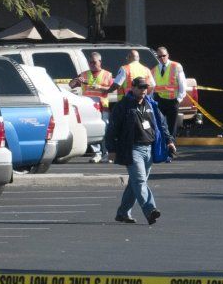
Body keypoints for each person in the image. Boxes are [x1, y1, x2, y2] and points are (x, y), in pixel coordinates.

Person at [107, 77, 176, 225]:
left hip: (149, 149)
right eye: (140, 87)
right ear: (132, 88)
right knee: (139, 181)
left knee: (135, 183)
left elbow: (162, 124)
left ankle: (123, 213)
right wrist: (111, 149)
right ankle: (150, 209)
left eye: (145, 87)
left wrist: (169, 141)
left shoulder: (151, 104)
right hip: (132, 149)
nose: (143, 90)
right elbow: (112, 128)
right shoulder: (123, 105)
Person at [70, 52, 114, 163]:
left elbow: (112, 88)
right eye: (90, 62)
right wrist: (76, 81)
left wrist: (100, 87)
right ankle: (97, 153)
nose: (92, 64)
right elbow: (71, 85)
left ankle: (106, 153)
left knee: (105, 129)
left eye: (94, 62)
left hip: (102, 106)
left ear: (100, 62)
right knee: (93, 129)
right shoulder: (84, 74)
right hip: (89, 107)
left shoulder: (107, 74)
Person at [152, 46, 187, 142]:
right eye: (159, 56)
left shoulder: (176, 66)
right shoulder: (154, 69)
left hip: (173, 101)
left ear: (168, 55)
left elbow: (182, 84)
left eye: (164, 56)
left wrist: (179, 99)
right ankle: (163, 147)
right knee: (160, 125)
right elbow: (153, 87)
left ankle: (171, 148)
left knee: (172, 127)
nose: (162, 58)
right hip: (160, 101)